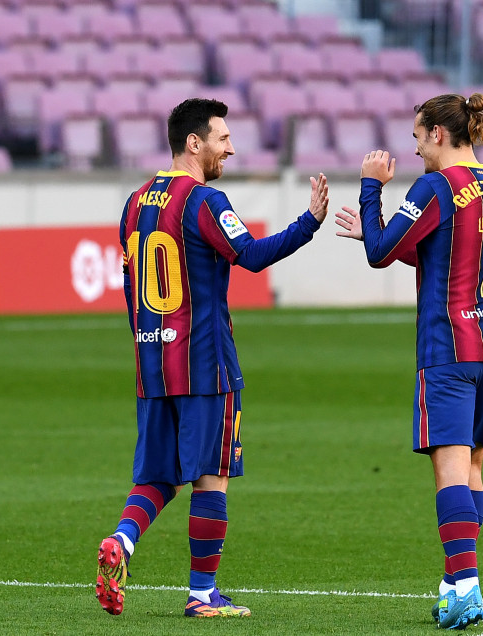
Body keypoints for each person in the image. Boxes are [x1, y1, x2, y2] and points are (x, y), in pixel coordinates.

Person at [96, 98, 329, 619]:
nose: (230, 147)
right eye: (223, 138)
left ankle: (122, 541)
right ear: (194, 143)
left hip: (153, 363)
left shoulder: (133, 203)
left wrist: (147, 344)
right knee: (211, 476)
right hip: (205, 364)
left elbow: (132, 287)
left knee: (157, 476)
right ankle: (203, 594)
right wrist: (309, 221)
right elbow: (250, 255)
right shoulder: (204, 201)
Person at [335, 93, 483, 630]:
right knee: (475, 466)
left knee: (450, 469)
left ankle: (467, 587)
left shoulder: (437, 186)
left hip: (449, 347)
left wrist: (371, 188)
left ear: (439, 133)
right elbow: (450, 248)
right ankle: (452, 584)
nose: (415, 151)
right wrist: (388, 237)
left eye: (417, 138)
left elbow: (378, 251)